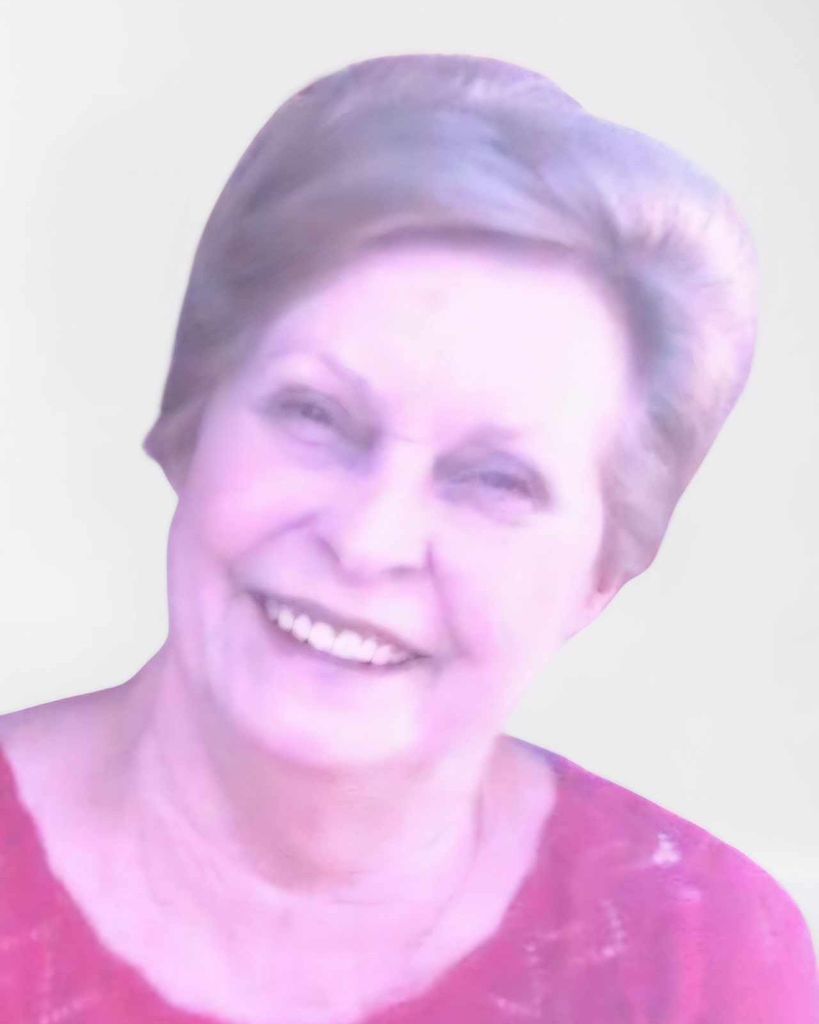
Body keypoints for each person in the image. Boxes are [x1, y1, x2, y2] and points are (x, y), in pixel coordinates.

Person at [0, 53, 816, 1024]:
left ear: (599, 576)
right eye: (314, 415)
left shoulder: (699, 958)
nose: (368, 538)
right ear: (191, 426)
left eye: (495, 479)